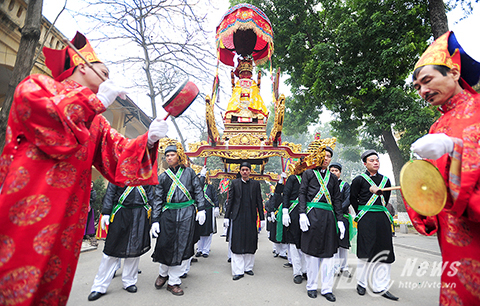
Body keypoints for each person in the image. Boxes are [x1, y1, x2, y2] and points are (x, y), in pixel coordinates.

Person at [0, 32, 168, 305]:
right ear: (82, 66)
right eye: (104, 72)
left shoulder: (98, 122)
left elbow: (118, 156)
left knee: (52, 281)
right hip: (28, 201)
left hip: (68, 213)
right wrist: (95, 102)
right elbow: (49, 124)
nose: (108, 79)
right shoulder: (37, 85)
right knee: (14, 270)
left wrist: (147, 140)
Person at [409, 31, 480, 305]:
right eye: (418, 87)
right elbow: (432, 186)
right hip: (452, 240)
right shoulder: (437, 127)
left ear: (453, 71)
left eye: (427, 81)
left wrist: (456, 149)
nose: (423, 91)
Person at [151, 142, 206, 296]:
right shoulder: (162, 177)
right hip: (168, 214)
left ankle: (173, 281)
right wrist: (155, 219)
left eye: (172, 154)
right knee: (165, 244)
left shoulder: (190, 173)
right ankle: (163, 273)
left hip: (187, 214)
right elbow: (157, 199)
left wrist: (201, 209)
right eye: (167, 155)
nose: (169, 157)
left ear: (179, 156)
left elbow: (198, 191)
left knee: (182, 246)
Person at [88, 183, 154, 301]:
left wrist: (155, 219)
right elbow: (110, 192)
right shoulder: (119, 172)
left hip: (139, 214)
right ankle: (99, 286)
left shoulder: (145, 175)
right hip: (121, 213)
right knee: (111, 251)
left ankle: (129, 281)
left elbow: (152, 196)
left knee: (135, 250)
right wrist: (106, 212)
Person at [298, 146, 345, 302]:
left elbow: (337, 199)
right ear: (317, 156)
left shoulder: (333, 178)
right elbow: (302, 193)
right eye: (323, 155)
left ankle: (326, 288)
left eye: (329, 156)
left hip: (328, 218)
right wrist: (302, 213)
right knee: (311, 254)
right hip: (312, 216)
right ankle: (311, 286)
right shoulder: (308, 173)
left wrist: (340, 220)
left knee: (329, 255)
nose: (326, 158)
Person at [350, 150, 398, 301]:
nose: (376, 162)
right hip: (366, 218)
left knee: (385, 251)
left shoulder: (386, 180)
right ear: (365, 163)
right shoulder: (359, 180)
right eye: (372, 160)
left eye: (377, 160)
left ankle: (381, 286)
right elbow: (353, 198)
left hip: (382, 218)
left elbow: (386, 199)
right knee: (366, 250)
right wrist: (363, 212)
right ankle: (361, 283)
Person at [224, 162, 265, 280]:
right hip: (237, 217)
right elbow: (231, 201)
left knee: (250, 242)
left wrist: (262, 218)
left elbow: (259, 201)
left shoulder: (255, 184)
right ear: (240, 171)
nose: (245, 172)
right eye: (243, 170)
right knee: (237, 243)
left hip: (251, 217)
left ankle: (248, 267)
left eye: (247, 169)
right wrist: (227, 217)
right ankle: (238, 271)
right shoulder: (235, 183)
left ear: (250, 171)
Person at [282, 159, 308, 284]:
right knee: (294, 242)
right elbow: (286, 195)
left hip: (308, 212)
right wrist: (285, 211)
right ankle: (297, 271)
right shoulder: (293, 179)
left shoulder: (313, 179)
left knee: (305, 242)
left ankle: (305, 270)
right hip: (293, 212)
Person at [224, 58, 269, 123]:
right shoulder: (238, 82)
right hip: (239, 103)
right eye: (244, 72)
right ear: (240, 74)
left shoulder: (252, 82)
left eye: (247, 72)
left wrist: (252, 92)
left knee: (259, 115)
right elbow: (235, 92)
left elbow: (255, 91)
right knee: (229, 114)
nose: (245, 73)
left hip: (251, 103)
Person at [329, 162, 353, 278]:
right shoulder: (325, 185)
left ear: (340, 173)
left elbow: (349, 199)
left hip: (342, 216)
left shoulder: (345, 185)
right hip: (329, 216)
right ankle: (334, 267)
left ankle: (344, 267)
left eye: (336, 171)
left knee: (343, 244)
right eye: (331, 170)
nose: (333, 172)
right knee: (332, 242)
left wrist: (337, 210)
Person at [195, 166, 219, 258]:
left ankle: (205, 250)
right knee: (199, 231)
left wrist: (216, 206)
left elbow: (215, 197)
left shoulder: (210, 187)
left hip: (209, 210)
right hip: (200, 210)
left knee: (208, 231)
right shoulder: (197, 187)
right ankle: (199, 249)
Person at [266, 176, 288, 259]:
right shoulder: (276, 195)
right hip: (276, 215)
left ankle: (283, 252)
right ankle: (276, 250)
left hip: (285, 215)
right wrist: (271, 212)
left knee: (285, 234)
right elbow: (272, 203)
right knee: (276, 234)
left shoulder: (288, 195)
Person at [84, 181, 98, 247]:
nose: (90, 185)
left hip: (90, 208)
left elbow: (94, 199)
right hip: (84, 208)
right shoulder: (85, 190)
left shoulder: (93, 192)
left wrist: (88, 198)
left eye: (91, 184)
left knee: (89, 221)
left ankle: (88, 233)